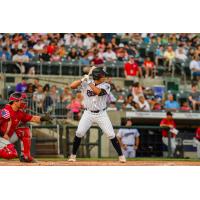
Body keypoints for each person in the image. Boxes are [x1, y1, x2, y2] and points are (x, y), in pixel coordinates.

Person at [68, 66, 126, 163]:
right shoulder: (86, 82)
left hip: (101, 114)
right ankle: (73, 155)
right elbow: (72, 86)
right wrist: (82, 79)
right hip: (88, 113)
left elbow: (98, 92)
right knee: (79, 133)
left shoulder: (106, 85)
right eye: (103, 76)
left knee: (111, 134)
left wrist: (89, 82)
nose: (105, 77)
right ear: (98, 76)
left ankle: (121, 155)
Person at [0, 92, 51, 162]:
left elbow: (32, 118)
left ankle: (25, 156)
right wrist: (3, 134)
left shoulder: (19, 113)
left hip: (7, 137)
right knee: (12, 154)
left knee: (25, 131)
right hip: (1, 137)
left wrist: (43, 118)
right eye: (21, 100)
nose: (23, 102)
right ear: (15, 102)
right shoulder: (5, 111)